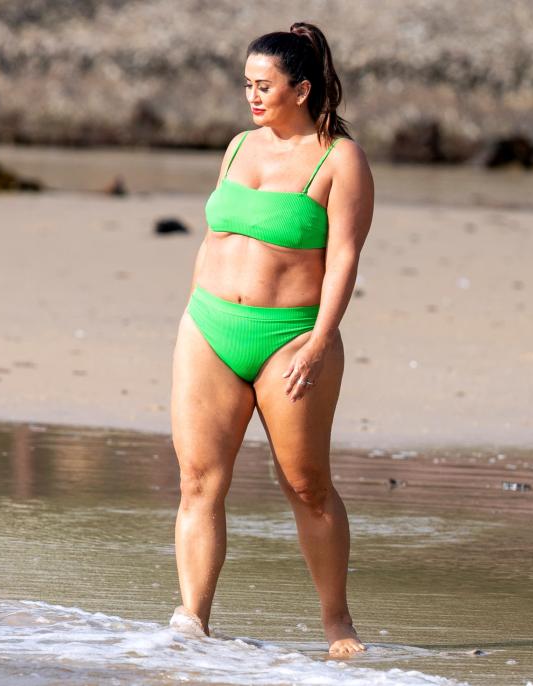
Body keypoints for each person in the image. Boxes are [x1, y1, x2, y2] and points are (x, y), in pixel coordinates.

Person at [168, 22, 374, 658]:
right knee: (199, 481)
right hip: (208, 327)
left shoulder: (340, 159)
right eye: (247, 84)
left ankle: (337, 622)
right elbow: (219, 240)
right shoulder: (236, 148)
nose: (251, 96)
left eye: (264, 86)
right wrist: (199, 308)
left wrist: (319, 342)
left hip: (290, 336)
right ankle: (192, 622)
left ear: (302, 88)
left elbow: (343, 258)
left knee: (307, 485)